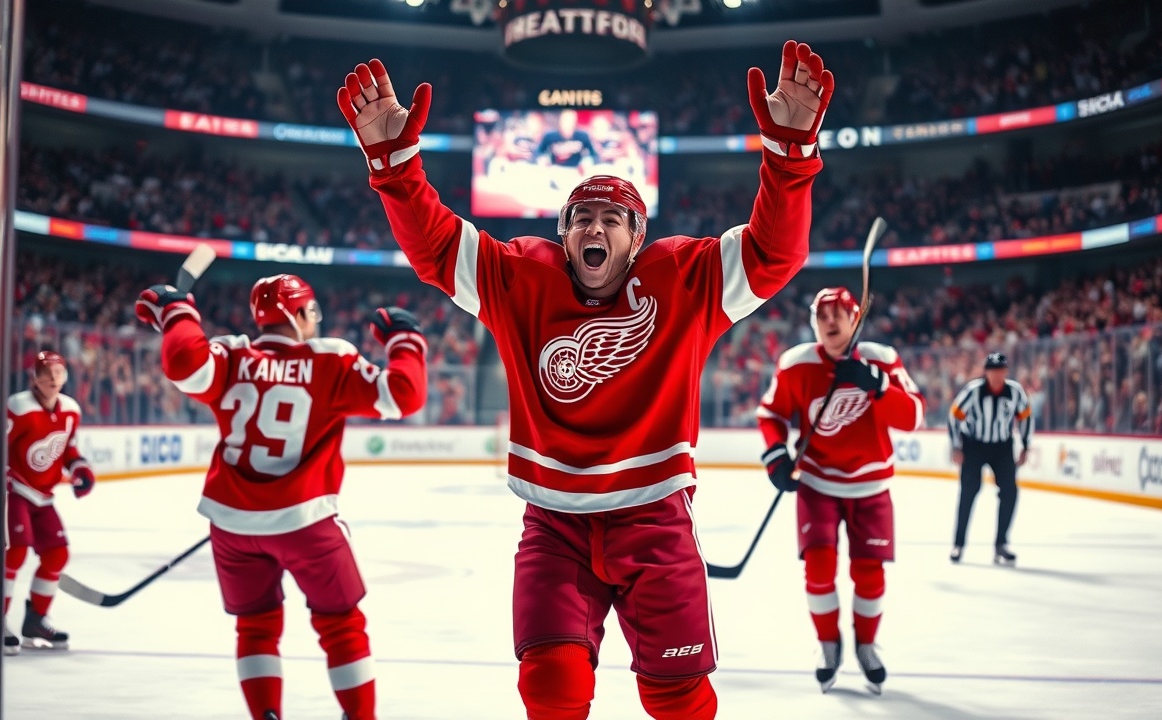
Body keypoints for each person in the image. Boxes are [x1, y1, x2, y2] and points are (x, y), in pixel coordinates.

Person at [336, 39, 832, 720]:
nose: (594, 227)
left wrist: (789, 157)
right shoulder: (521, 279)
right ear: (564, 236)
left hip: (655, 518)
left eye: (611, 219)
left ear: (636, 237)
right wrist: (395, 168)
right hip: (554, 523)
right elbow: (437, 247)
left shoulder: (683, 279)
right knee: (550, 688)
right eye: (581, 218)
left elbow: (775, 253)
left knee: (678, 699)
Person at [135, 274, 428, 720]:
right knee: (341, 624)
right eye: (311, 311)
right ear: (297, 313)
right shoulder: (328, 359)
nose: (315, 320)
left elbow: (184, 364)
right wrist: (405, 340)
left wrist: (178, 314)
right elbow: (405, 395)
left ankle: (266, 714)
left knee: (255, 627)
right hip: (305, 522)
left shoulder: (231, 355)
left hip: (232, 526)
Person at [756, 286, 925, 695]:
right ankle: (828, 645)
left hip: (872, 485)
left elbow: (914, 415)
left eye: (838, 313)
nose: (830, 321)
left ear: (855, 318)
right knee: (818, 570)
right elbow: (771, 414)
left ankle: (866, 645)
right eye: (822, 315)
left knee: (869, 575)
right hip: (817, 484)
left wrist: (877, 386)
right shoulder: (796, 364)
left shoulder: (881, 359)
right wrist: (776, 455)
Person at [4, 350, 96, 653]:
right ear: (35, 378)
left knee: (57, 554)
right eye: (47, 373)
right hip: (16, 491)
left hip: (43, 497)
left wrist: (80, 469)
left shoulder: (71, 410)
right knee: (15, 552)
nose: (53, 379)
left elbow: (68, 450)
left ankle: (36, 620)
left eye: (59, 373)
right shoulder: (19, 407)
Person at [948, 352, 1032, 566]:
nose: (997, 375)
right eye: (993, 370)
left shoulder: (1015, 392)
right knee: (968, 492)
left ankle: (1001, 544)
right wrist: (956, 446)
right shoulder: (973, 391)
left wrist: (1025, 445)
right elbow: (954, 415)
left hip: (1002, 447)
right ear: (986, 372)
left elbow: (1025, 417)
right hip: (973, 445)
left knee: (1010, 491)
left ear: (1006, 371)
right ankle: (958, 544)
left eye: (1001, 370)